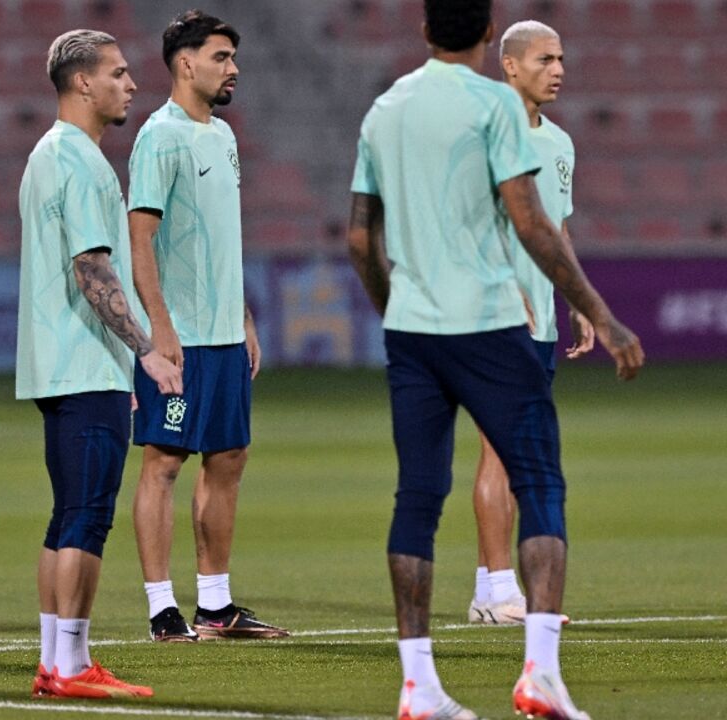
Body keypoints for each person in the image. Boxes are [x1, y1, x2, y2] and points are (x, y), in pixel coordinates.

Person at [346, 1, 644, 718]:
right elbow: (530, 219)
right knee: (539, 479)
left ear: (424, 31)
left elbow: (360, 238)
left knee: (417, 497)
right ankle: (539, 673)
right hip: (488, 321)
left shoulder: (385, 109)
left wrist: (394, 309)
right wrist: (600, 313)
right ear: (487, 35)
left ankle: (417, 686)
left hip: (413, 330)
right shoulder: (493, 105)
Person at [17, 29, 182, 700]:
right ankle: (69, 665)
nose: (131, 84)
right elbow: (92, 267)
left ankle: (58, 660)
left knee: (68, 515)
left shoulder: (47, 155)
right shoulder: (79, 160)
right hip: (84, 365)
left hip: (65, 365)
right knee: (86, 515)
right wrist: (146, 351)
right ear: (83, 82)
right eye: (118, 73)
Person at [127, 10, 286, 643]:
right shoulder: (159, 137)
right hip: (182, 337)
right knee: (163, 463)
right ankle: (162, 607)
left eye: (234, 58)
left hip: (223, 334)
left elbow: (223, 239)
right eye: (221, 57)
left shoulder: (221, 136)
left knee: (228, 457)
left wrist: (243, 314)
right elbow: (140, 242)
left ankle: (215, 607)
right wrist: (159, 330)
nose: (233, 69)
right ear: (185, 63)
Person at [469, 19, 590, 627]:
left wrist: (578, 301)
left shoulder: (561, 143)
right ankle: (492, 591)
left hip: (540, 320)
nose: (559, 69)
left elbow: (558, 230)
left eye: (561, 58)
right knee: (500, 453)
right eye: (545, 59)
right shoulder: (486, 134)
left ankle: (495, 586)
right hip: (495, 321)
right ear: (510, 66)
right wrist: (502, 291)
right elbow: (472, 227)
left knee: (522, 456)